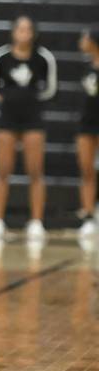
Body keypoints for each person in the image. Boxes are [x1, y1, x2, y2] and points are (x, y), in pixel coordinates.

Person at [0, 15, 57, 243]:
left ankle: (36, 222)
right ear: (13, 32)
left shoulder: (43, 58)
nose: (24, 33)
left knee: (35, 171)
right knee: (3, 170)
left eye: (28, 29)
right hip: (7, 119)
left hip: (33, 120)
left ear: (33, 32)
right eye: (20, 28)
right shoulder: (1, 57)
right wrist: (11, 100)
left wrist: (29, 101)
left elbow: (50, 89)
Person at [75, 26, 99, 243]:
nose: (81, 41)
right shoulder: (85, 67)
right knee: (87, 170)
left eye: (85, 38)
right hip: (86, 124)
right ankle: (88, 217)